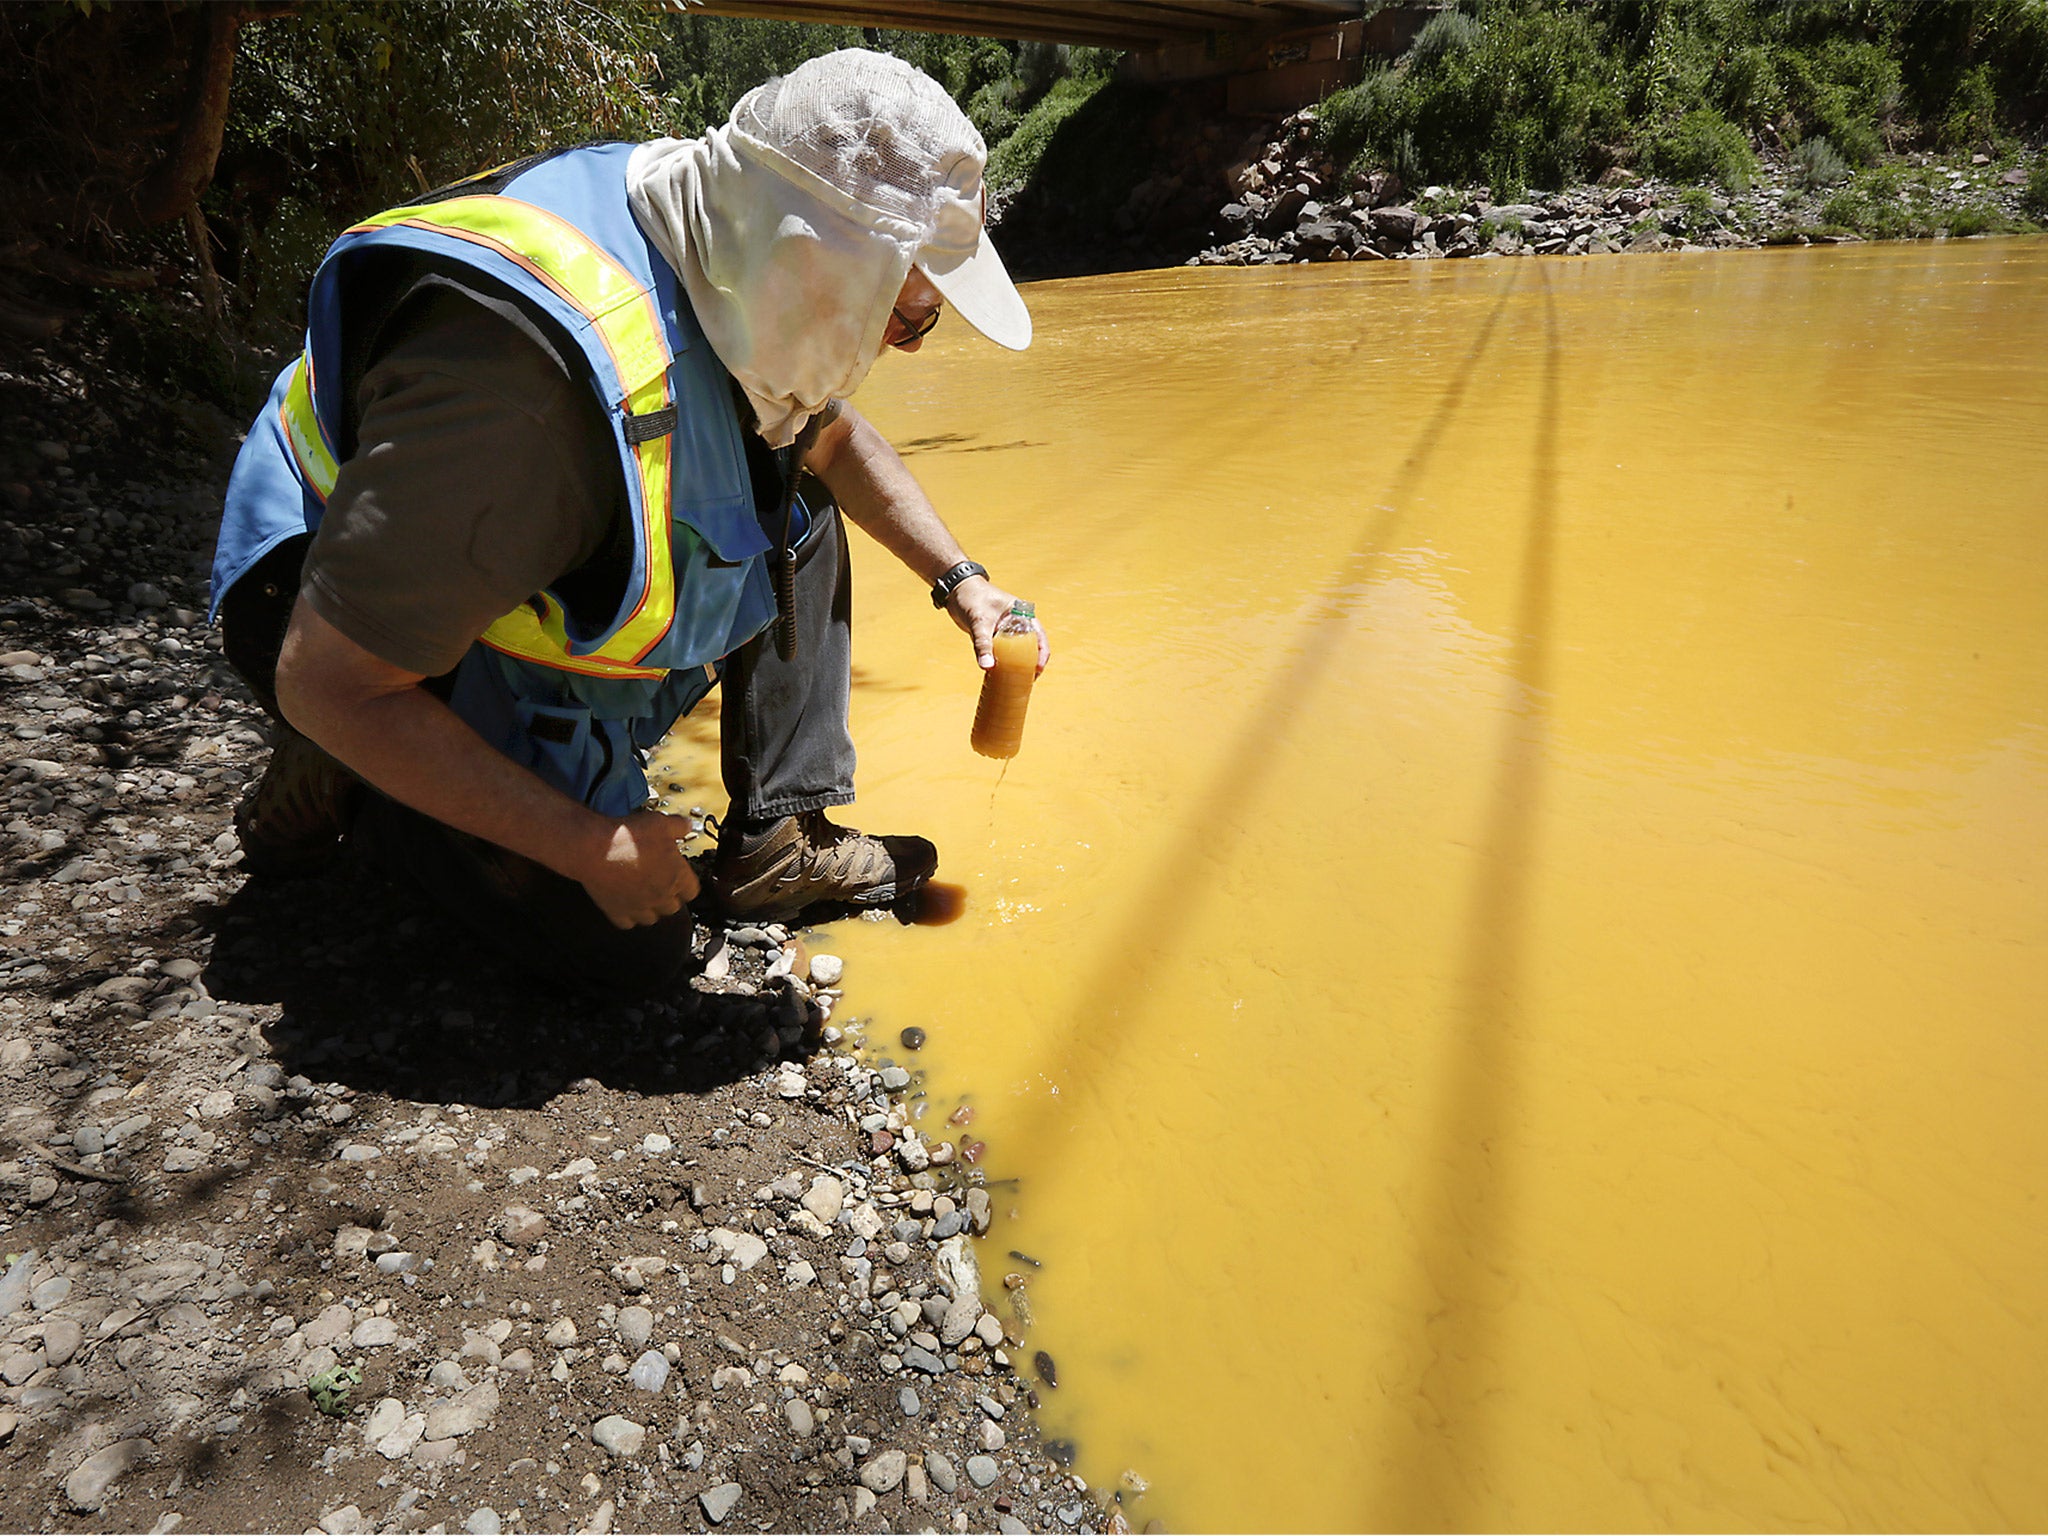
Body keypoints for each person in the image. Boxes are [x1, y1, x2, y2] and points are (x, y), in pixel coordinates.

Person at [209, 49, 1049, 995]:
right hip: (340, 609)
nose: (905, 344)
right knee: (629, 954)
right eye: (909, 320)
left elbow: (832, 446)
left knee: (795, 506)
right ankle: (355, 784)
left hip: (484, 552)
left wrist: (963, 583)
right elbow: (326, 679)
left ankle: (776, 838)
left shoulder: (731, 244)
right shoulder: (519, 405)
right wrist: (589, 844)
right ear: (824, 278)